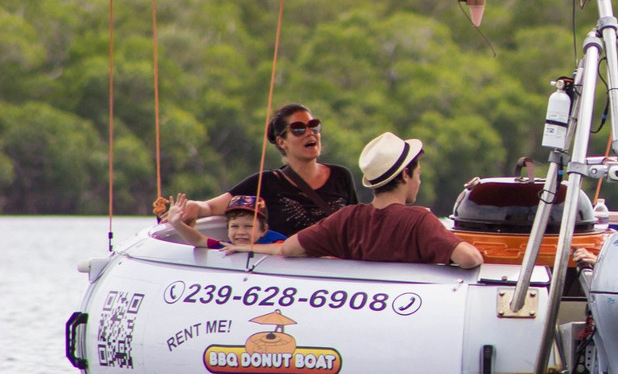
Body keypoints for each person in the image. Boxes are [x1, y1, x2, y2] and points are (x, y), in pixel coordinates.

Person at [224, 131, 484, 269]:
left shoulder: (346, 218)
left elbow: (288, 249)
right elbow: (469, 259)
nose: (419, 180)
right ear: (405, 174)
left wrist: (246, 247)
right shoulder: (420, 221)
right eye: (418, 174)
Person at [184, 104, 359, 236]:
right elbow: (210, 207)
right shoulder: (266, 183)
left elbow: (357, 225)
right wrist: (192, 207)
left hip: (338, 269)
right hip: (288, 271)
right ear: (282, 141)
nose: (310, 133)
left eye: (314, 126)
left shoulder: (340, 176)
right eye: (298, 129)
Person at [166, 193, 285, 249]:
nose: (241, 232)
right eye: (234, 226)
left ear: (264, 230)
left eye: (248, 226)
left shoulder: (275, 241)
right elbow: (198, 240)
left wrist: (243, 249)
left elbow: (283, 250)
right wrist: (177, 224)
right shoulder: (227, 246)